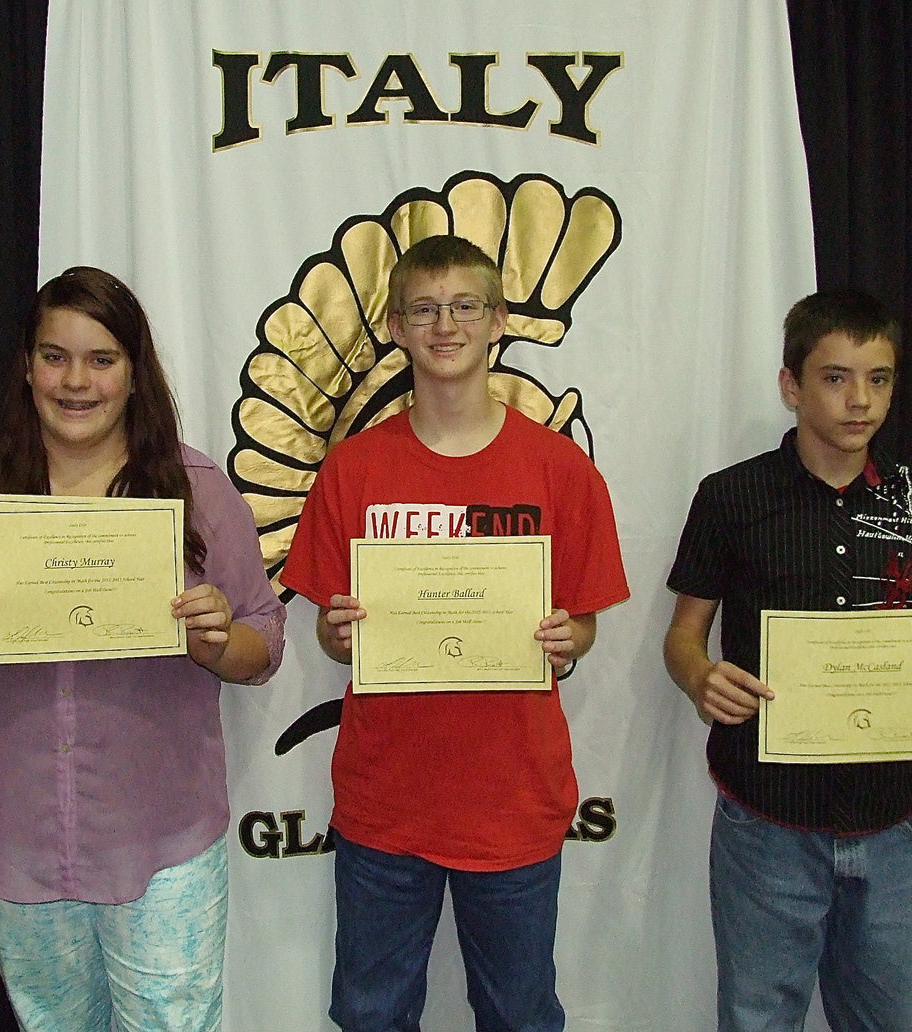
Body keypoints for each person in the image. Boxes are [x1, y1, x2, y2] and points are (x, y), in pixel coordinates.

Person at [0, 266, 285, 1032]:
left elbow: (262, 647)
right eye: (55, 356)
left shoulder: (197, 494)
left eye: (101, 359)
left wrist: (218, 639)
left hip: (160, 837)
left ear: (135, 375)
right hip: (15, 836)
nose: (76, 381)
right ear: (27, 367)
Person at [281, 235, 629, 1032]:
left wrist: (568, 640)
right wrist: (342, 635)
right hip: (385, 802)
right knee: (371, 1016)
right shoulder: (354, 470)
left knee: (520, 1016)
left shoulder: (558, 468)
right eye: (425, 309)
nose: (446, 325)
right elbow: (336, 638)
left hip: (514, 799)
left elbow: (584, 622)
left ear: (498, 320)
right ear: (397, 327)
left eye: (466, 305)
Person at [663, 289, 912, 1032]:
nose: (860, 400)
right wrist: (701, 678)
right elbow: (683, 636)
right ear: (791, 385)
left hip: (899, 825)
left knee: (893, 1022)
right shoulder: (730, 498)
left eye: (879, 378)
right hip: (769, 823)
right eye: (836, 377)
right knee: (757, 1020)